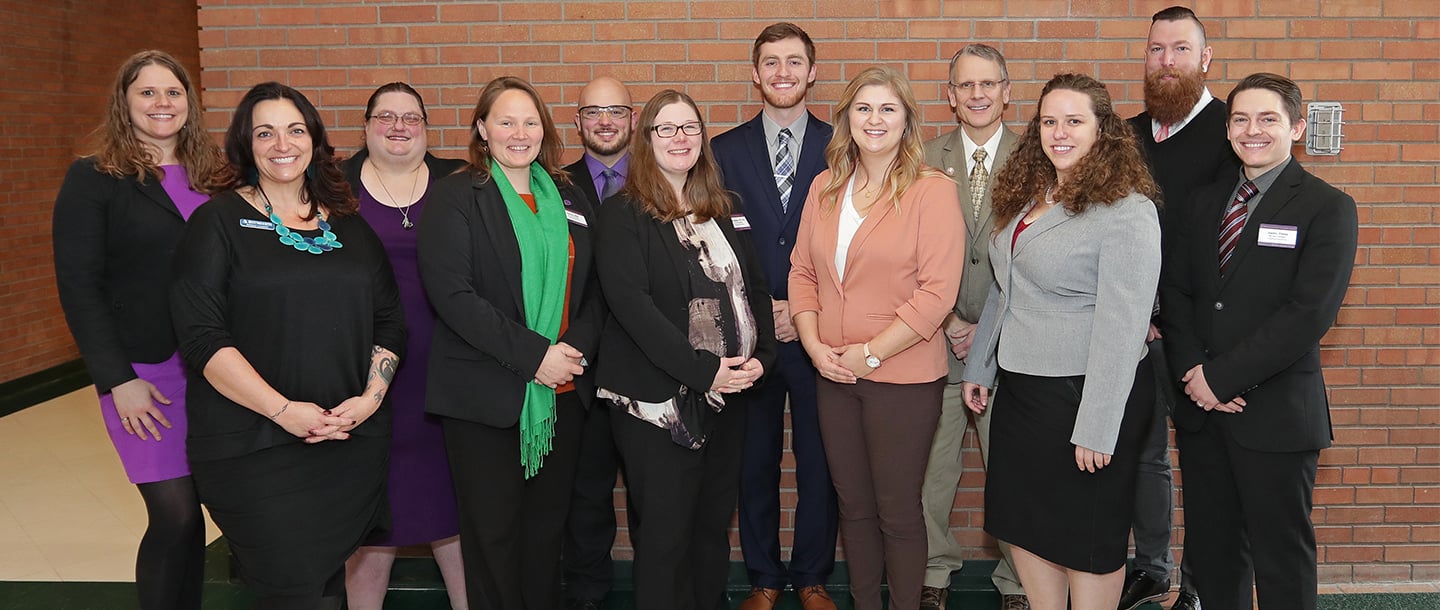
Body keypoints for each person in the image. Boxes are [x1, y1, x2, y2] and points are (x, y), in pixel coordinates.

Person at [170, 81, 405, 609]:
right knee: (290, 586)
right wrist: (283, 412)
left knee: (325, 587)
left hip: (347, 441)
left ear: (315, 140)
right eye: (265, 132)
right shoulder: (217, 223)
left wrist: (368, 401)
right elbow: (203, 339)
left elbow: (389, 321)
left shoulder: (349, 226)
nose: (283, 143)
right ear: (245, 144)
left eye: (296, 129)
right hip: (254, 447)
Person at [959, 73, 1161, 610]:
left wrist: (1097, 426)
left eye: (1074, 121)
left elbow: (1123, 329)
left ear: (1103, 130)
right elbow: (1007, 285)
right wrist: (981, 365)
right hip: (1024, 393)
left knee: (1086, 538)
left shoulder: (1127, 210)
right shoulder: (1032, 195)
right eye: (1049, 121)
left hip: (1086, 394)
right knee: (1025, 526)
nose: (1059, 132)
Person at [1160, 72, 1357, 610]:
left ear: (1296, 127)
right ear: (1227, 130)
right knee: (1216, 556)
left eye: (1268, 119)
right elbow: (1175, 293)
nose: (1253, 130)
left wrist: (1221, 378)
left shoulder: (1327, 207)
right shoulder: (1202, 203)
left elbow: (1308, 314)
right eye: (1241, 119)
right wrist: (1195, 377)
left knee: (1281, 558)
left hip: (1275, 417)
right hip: (1204, 414)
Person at [52, 49, 231, 610]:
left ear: (189, 102)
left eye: (172, 92)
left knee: (200, 514)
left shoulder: (217, 176)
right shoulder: (94, 178)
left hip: (214, 370)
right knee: (173, 513)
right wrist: (115, 378)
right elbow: (79, 286)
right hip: (143, 374)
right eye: (147, 92)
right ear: (124, 102)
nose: (161, 103)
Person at [417, 76, 604, 610]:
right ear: (481, 128)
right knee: (494, 541)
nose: (519, 133)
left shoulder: (567, 194)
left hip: (562, 395)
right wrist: (535, 356)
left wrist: (571, 352)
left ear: (544, 129)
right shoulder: (457, 195)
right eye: (505, 121)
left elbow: (595, 287)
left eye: (530, 121)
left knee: (546, 539)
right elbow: (454, 296)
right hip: (486, 400)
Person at [788, 65, 965, 610]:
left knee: (897, 510)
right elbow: (802, 273)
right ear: (846, 119)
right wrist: (817, 349)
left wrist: (869, 353)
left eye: (888, 108)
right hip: (834, 373)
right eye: (863, 108)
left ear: (908, 119)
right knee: (854, 508)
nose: (875, 119)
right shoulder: (824, 186)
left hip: (902, 378)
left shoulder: (932, 191)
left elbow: (936, 295)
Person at [593, 89, 777, 610]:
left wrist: (762, 361)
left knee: (711, 528)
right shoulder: (624, 214)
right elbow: (633, 309)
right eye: (667, 128)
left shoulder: (724, 209)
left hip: (729, 398)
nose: (681, 138)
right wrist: (705, 372)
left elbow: (755, 291)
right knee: (666, 536)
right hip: (658, 405)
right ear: (646, 139)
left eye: (690, 127)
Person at [710, 22, 839, 610]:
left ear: (812, 72)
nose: (783, 73)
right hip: (750, 339)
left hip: (821, 336)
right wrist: (769, 310)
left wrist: (803, 310)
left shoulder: (844, 145)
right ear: (755, 73)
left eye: (794, 62)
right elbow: (712, 245)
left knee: (821, 461)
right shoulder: (724, 151)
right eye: (771, 63)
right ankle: (763, 578)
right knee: (753, 461)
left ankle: (813, 576)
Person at [1121, 8, 1240, 610]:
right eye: (1156, 50)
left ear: (1205, 59)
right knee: (1143, 452)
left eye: (1180, 49)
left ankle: (1197, 586)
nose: (1166, 62)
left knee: (1203, 460)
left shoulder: (1231, 132)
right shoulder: (1129, 133)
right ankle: (1151, 568)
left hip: (1198, 335)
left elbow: (1217, 245)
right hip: (1136, 332)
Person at [341, 82, 468, 610]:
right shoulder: (332, 187)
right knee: (373, 510)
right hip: (365, 370)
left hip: (451, 366)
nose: (399, 127)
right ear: (367, 125)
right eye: (386, 116)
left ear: (426, 127)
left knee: (454, 505)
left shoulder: (461, 181)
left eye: (411, 117)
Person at [917, 43, 1028, 610]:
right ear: (952, 95)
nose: (978, 95)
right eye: (966, 86)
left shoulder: (1036, 159)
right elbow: (907, 253)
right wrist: (950, 321)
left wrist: (983, 326)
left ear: (1007, 91)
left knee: (1010, 471)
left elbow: (1040, 258)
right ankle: (933, 572)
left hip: (1008, 348)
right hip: (936, 344)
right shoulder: (923, 157)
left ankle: (1016, 580)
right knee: (933, 471)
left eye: (989, 84)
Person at [561, 75, 636, 610]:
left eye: (615, 111)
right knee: (585, 496)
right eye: (593, 112)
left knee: (657, 495)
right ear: (578, 121)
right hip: (579, 370)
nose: (604, 121)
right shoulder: (551, 185)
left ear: (633, 119)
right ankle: (588, 595)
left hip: (651, 367)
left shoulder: (662, 182)